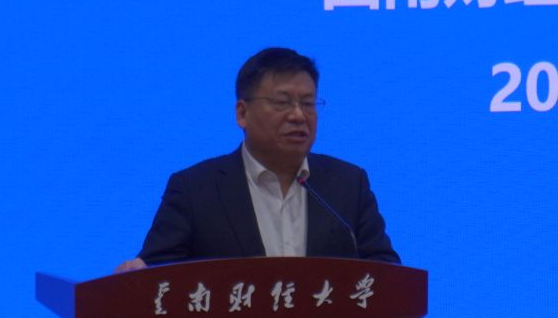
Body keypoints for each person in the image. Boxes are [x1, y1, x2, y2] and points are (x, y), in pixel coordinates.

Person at [115, 46, 398, 271]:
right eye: (282, 102)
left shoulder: (348, 184)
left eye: (308, 103)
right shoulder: (194, 190)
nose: (298, 115)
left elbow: (386, 274)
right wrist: (137, 277)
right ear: (242, 113)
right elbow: (158, 278)